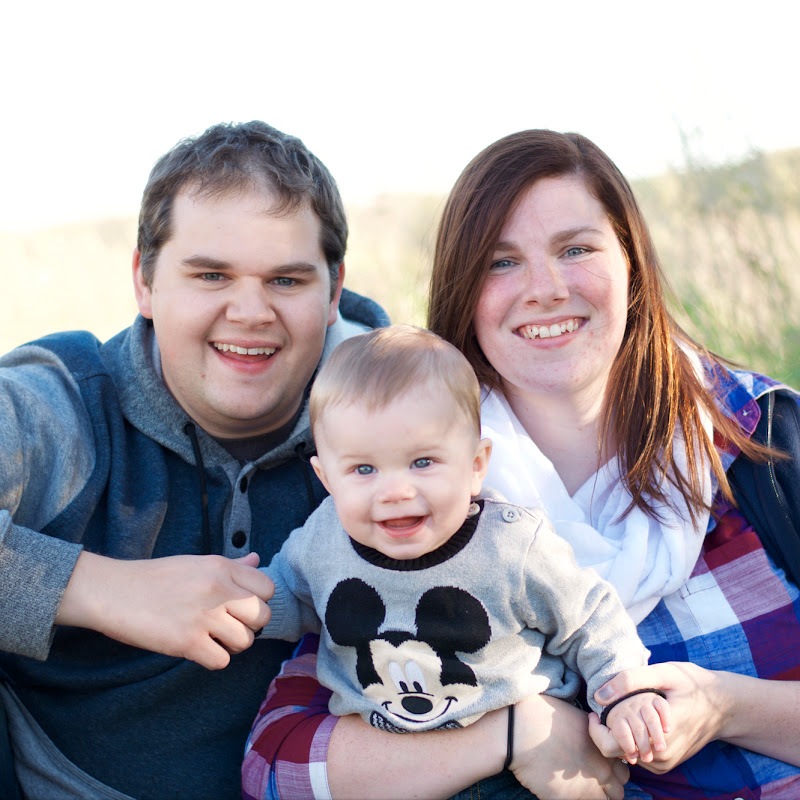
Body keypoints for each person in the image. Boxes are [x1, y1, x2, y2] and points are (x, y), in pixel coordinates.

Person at [243, 130, 800, 800]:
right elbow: (276, 766)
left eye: (576, 249)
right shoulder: (415, 485)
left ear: (631, 262)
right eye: (501, 262)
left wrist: (727, 707)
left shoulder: (757, 433)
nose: (546, 289)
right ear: (463, 291)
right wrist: (509, 733)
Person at [0, 120, 388, 800]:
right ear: (145, 281)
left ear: (332, 292)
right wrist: (99, 589)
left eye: (286, 279)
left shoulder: (399, 411)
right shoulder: (58, 405)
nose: (251, 311)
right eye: (211, 275)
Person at [255, 324, 669, 758]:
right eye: (363, 470)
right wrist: (248, 609)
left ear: (475, 465)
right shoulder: (323, 539)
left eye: (422, 462)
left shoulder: (510, 545)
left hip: (525, 759)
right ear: (326, 479)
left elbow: (589, 618)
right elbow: (296, 596)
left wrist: (623, 694)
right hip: (391, 759)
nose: (395, 492)